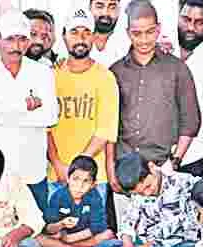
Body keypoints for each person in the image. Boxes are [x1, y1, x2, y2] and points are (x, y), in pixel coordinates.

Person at [107, 0, 200, 200]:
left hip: (162, 172)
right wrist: (111, 169)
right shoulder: (115, 72)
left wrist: (172, 164)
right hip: (125, 173)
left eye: (150, 32)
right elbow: (107, 125)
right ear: (127, 32)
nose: (143, 40)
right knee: (127, 230)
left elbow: (190, 122)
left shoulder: (177, 69)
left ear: (158, 30)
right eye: (137, 33)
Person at [0, 13, 59, 213]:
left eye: (22, 39)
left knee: (35, 234)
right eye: (10, 39)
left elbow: (51, 116)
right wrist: (25, 106)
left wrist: (2, 111)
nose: (16, 46)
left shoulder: (43, 73)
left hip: (32, 172)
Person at [48, 4, 118, 224]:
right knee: (57, 234)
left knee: (92, 237)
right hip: (57, 173)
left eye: (87, 32)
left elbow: (105, 130)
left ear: (94, 36)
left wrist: (78, 172)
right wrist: (59, 164)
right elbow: (44, 127)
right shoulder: (50, 76)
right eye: (74, 32)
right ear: (64, 36)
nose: (81, 38)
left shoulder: (105, 77)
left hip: (93, 177)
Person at [92, 153, 199, 247]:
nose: (147, 193)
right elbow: (128, 223)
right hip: (145, 246)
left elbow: (194, 229)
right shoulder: (138, 194)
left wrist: (153, 246)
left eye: (148, 186)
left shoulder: (186, 182)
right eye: (141, 192)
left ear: (152, 167)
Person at [175, 0, 203, 177]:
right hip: (151, 158)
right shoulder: (160, 49)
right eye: (186, 19)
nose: (190, 27)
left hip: (190, 162)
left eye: (199, 22)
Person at [39, 155, 111, 247]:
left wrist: (70, 239)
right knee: (41, 238)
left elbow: (98, 226)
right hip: (62, 235)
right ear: (68, 179)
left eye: (86, 181)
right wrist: (62, 224)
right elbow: (48, 227)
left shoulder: (94, 196)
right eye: (75, 179)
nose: (79, 186)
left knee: (108, 234)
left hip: (82, 237)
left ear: (93, 184)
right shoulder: (58, 196)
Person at [87, 0, 127, 66]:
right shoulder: (72, 39)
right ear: (90, 8)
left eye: (112, 7)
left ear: (119, 10)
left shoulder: (129, 41)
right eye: (99, 7)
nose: (105, 13)